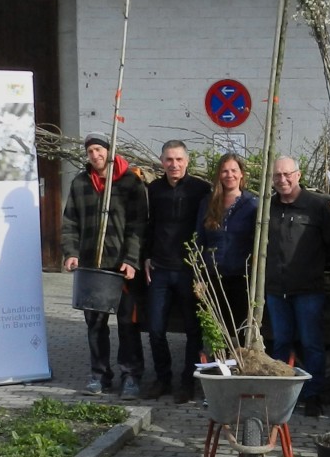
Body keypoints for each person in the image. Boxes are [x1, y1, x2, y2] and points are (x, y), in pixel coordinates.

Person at [62, 132, 147, 396]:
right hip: (91, 267)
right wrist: (70, 252)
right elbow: (70, 222)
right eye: (91, 152)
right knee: (95, 325)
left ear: (109, 151)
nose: (96, 156)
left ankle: (131, 375)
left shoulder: (130, 182)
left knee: (127, 324)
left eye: (99, 150)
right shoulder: (80, 183)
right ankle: (99, 375)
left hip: (122, 268)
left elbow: (138, 226)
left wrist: (132, 260)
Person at [265, 155, 330, 417]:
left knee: (312, 344)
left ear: (298, 175)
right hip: (276, 289)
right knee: (280, 344)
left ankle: (313, 395)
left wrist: (312, 264)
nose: (282, 180)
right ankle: (281, 396)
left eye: (287, 174)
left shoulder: (316, 206)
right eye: (277, 176)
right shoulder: (268, 207)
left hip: (308, 289)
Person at [143, 140, 211, 404]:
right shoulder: (154, 190)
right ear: (162, 162)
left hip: (189, 270)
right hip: (159, 268)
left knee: (193, 331)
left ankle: (187, 382)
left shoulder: (201, 190)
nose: (174, 164)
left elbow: (208, 228)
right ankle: (162, 379)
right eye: (169, 160)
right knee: (156, 329)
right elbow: (148, 225)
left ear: (187, 161)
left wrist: (203, 265)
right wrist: (146, 256)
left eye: (179, 159)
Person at [195, 153, 259, 342]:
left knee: (237, 332)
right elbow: (199, 240)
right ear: (219, 175)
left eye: (233, 170)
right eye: (224, 171)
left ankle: (236, 369)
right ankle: (218, 368)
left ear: (241, 174)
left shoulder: (252, 205)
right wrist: (199, 276)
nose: (229, 175)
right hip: (213, 278)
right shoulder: (207, 203)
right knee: (215, 331)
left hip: (241, 279)